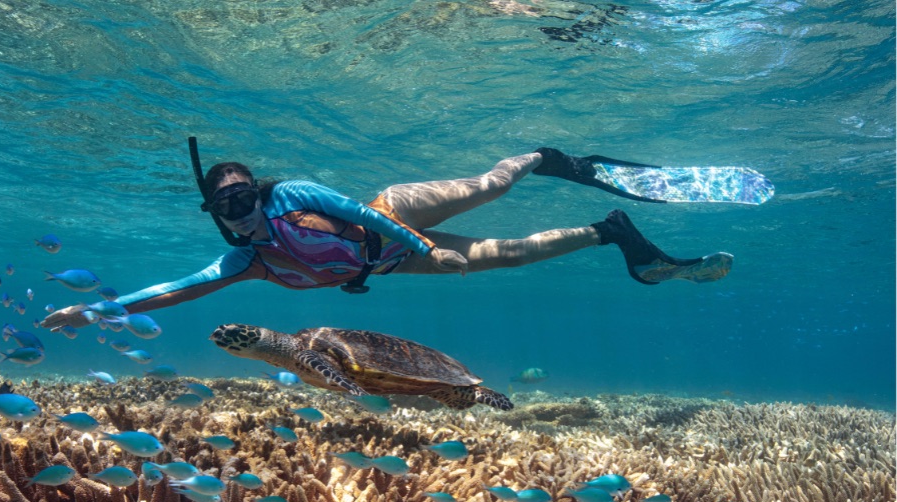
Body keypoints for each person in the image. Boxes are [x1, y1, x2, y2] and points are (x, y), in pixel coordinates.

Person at [41, 146, 732, 330]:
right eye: (227, 205)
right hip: (398, 262)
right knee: (503, 256)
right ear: (215, 213)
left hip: (393, 216)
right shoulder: (246, 261)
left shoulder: (292, 198)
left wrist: (414, 237)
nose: (241, 209)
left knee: (486, 191)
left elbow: (355, 212)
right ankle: (610, 233)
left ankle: (537, 157)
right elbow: (174, 292)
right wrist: (92, 309)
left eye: (246, 195)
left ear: (259, 191)